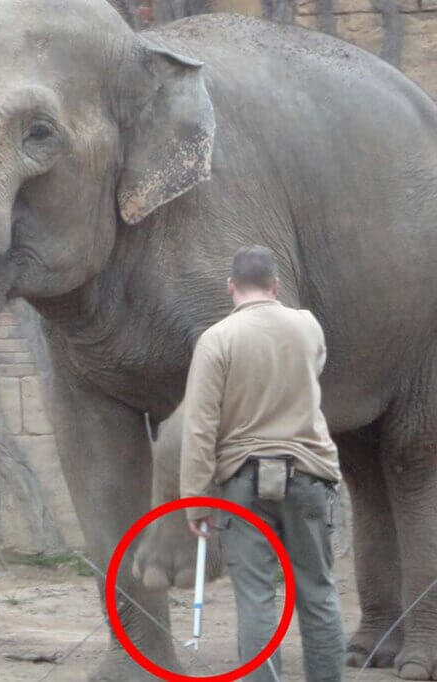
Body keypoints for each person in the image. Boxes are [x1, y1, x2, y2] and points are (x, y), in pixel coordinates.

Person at [179, 246, 344, 681]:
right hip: (309, 475)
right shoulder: (308, 326)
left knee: (255, 598)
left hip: (242, 483)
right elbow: (316, 372)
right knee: (318, 594)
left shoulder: (216, 339)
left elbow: (199, 428)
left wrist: (196, 501)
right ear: (276, 286)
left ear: (231, 287)